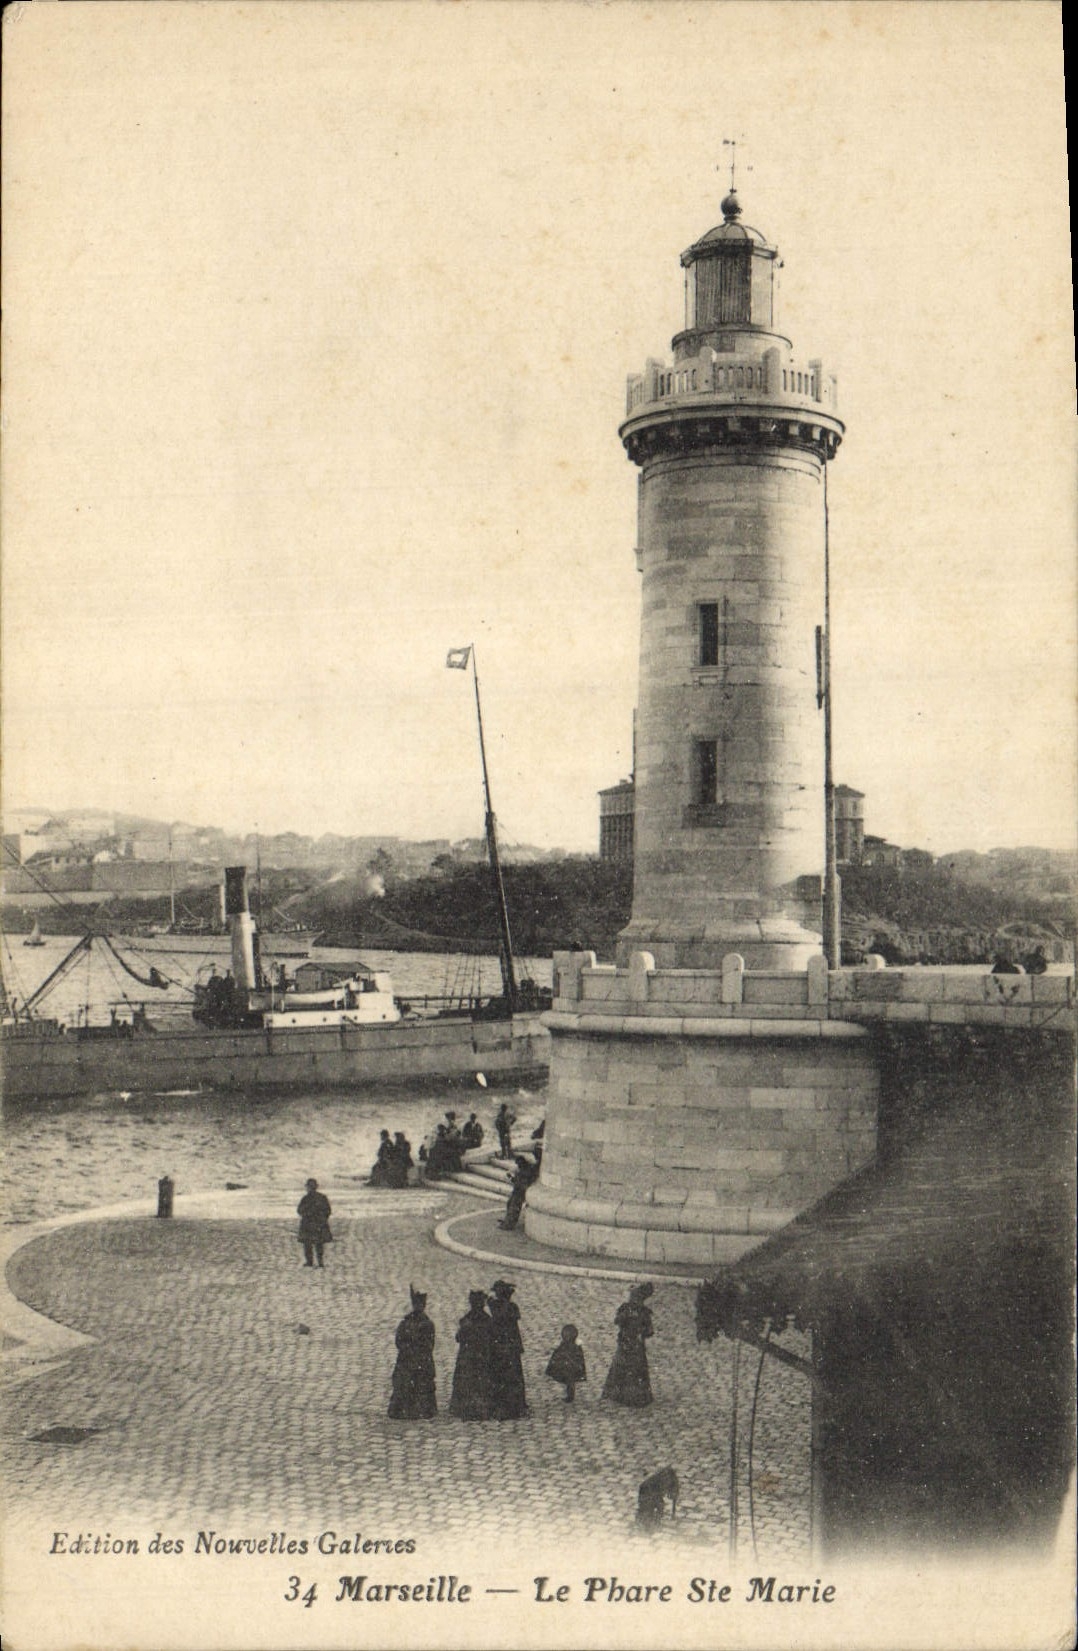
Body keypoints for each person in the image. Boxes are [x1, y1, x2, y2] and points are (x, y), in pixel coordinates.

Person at [388, 1285, 437, 1419]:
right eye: (417, 1304)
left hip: (421, 1361)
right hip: (407, 1359)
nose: (419, 1307)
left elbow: (429, 1345)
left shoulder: (428, 1324)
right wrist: (408, 1349)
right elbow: (399, 1341)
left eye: (421, 1304)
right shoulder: (405, 1322)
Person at [602, 1282, 654, 1407]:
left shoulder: (635, 1311)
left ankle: (624, 1395)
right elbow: (649, 1331)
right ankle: (627, 1395)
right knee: (630, 1368)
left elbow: (649, 1330)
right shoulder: (637, 1311)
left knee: (627, 1368)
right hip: (632, 1344)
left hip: (630, 1344)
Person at [449, 1290, 493, 1421]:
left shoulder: (466, 1320)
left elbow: (458, 1338)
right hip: (482, 1357)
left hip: (467, 1357)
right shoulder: (488, 1320)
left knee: (466, 1381)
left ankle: (464, 1407)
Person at [488, 1280, 528, 1419]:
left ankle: (501, 1405)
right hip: (512, 1346)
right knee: (514, 1374)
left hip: (500, 1346)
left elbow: (495, 1314)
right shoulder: (512, 1307)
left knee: (500, 1374)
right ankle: (517, 1403)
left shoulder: (495, 1306)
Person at [545, 1323, 586, 1404]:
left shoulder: (565, 1346)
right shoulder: (576, 1346)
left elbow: (558, 1355)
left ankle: (570, 1396)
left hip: (569, 1367)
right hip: (572, 1367)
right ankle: (570, 1395)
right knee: (570, 1382)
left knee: (569, 1382)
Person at [296, 1178, 332, 1268]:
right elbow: (328, 1211)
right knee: (319, 1244)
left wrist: (306, 1215)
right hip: (319, 1224)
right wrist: (323, 1219)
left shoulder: (305, 1198)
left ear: (308, 1187)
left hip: (307, 1224)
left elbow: (299, 1210)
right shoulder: (322, 1197)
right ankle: (320, 1262)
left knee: (307, 1244)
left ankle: (309, 1262)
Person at [498, 1153, 539, 1231]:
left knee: (514, 1207)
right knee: (510, 1204)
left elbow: (521, 1183)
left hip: (520, 1192)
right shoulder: (524, 1170)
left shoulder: (525, 1172)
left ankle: (509, 1224)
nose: (518, 1166)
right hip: (517, 1190)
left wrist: (512, 1179)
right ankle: (507, 1220)